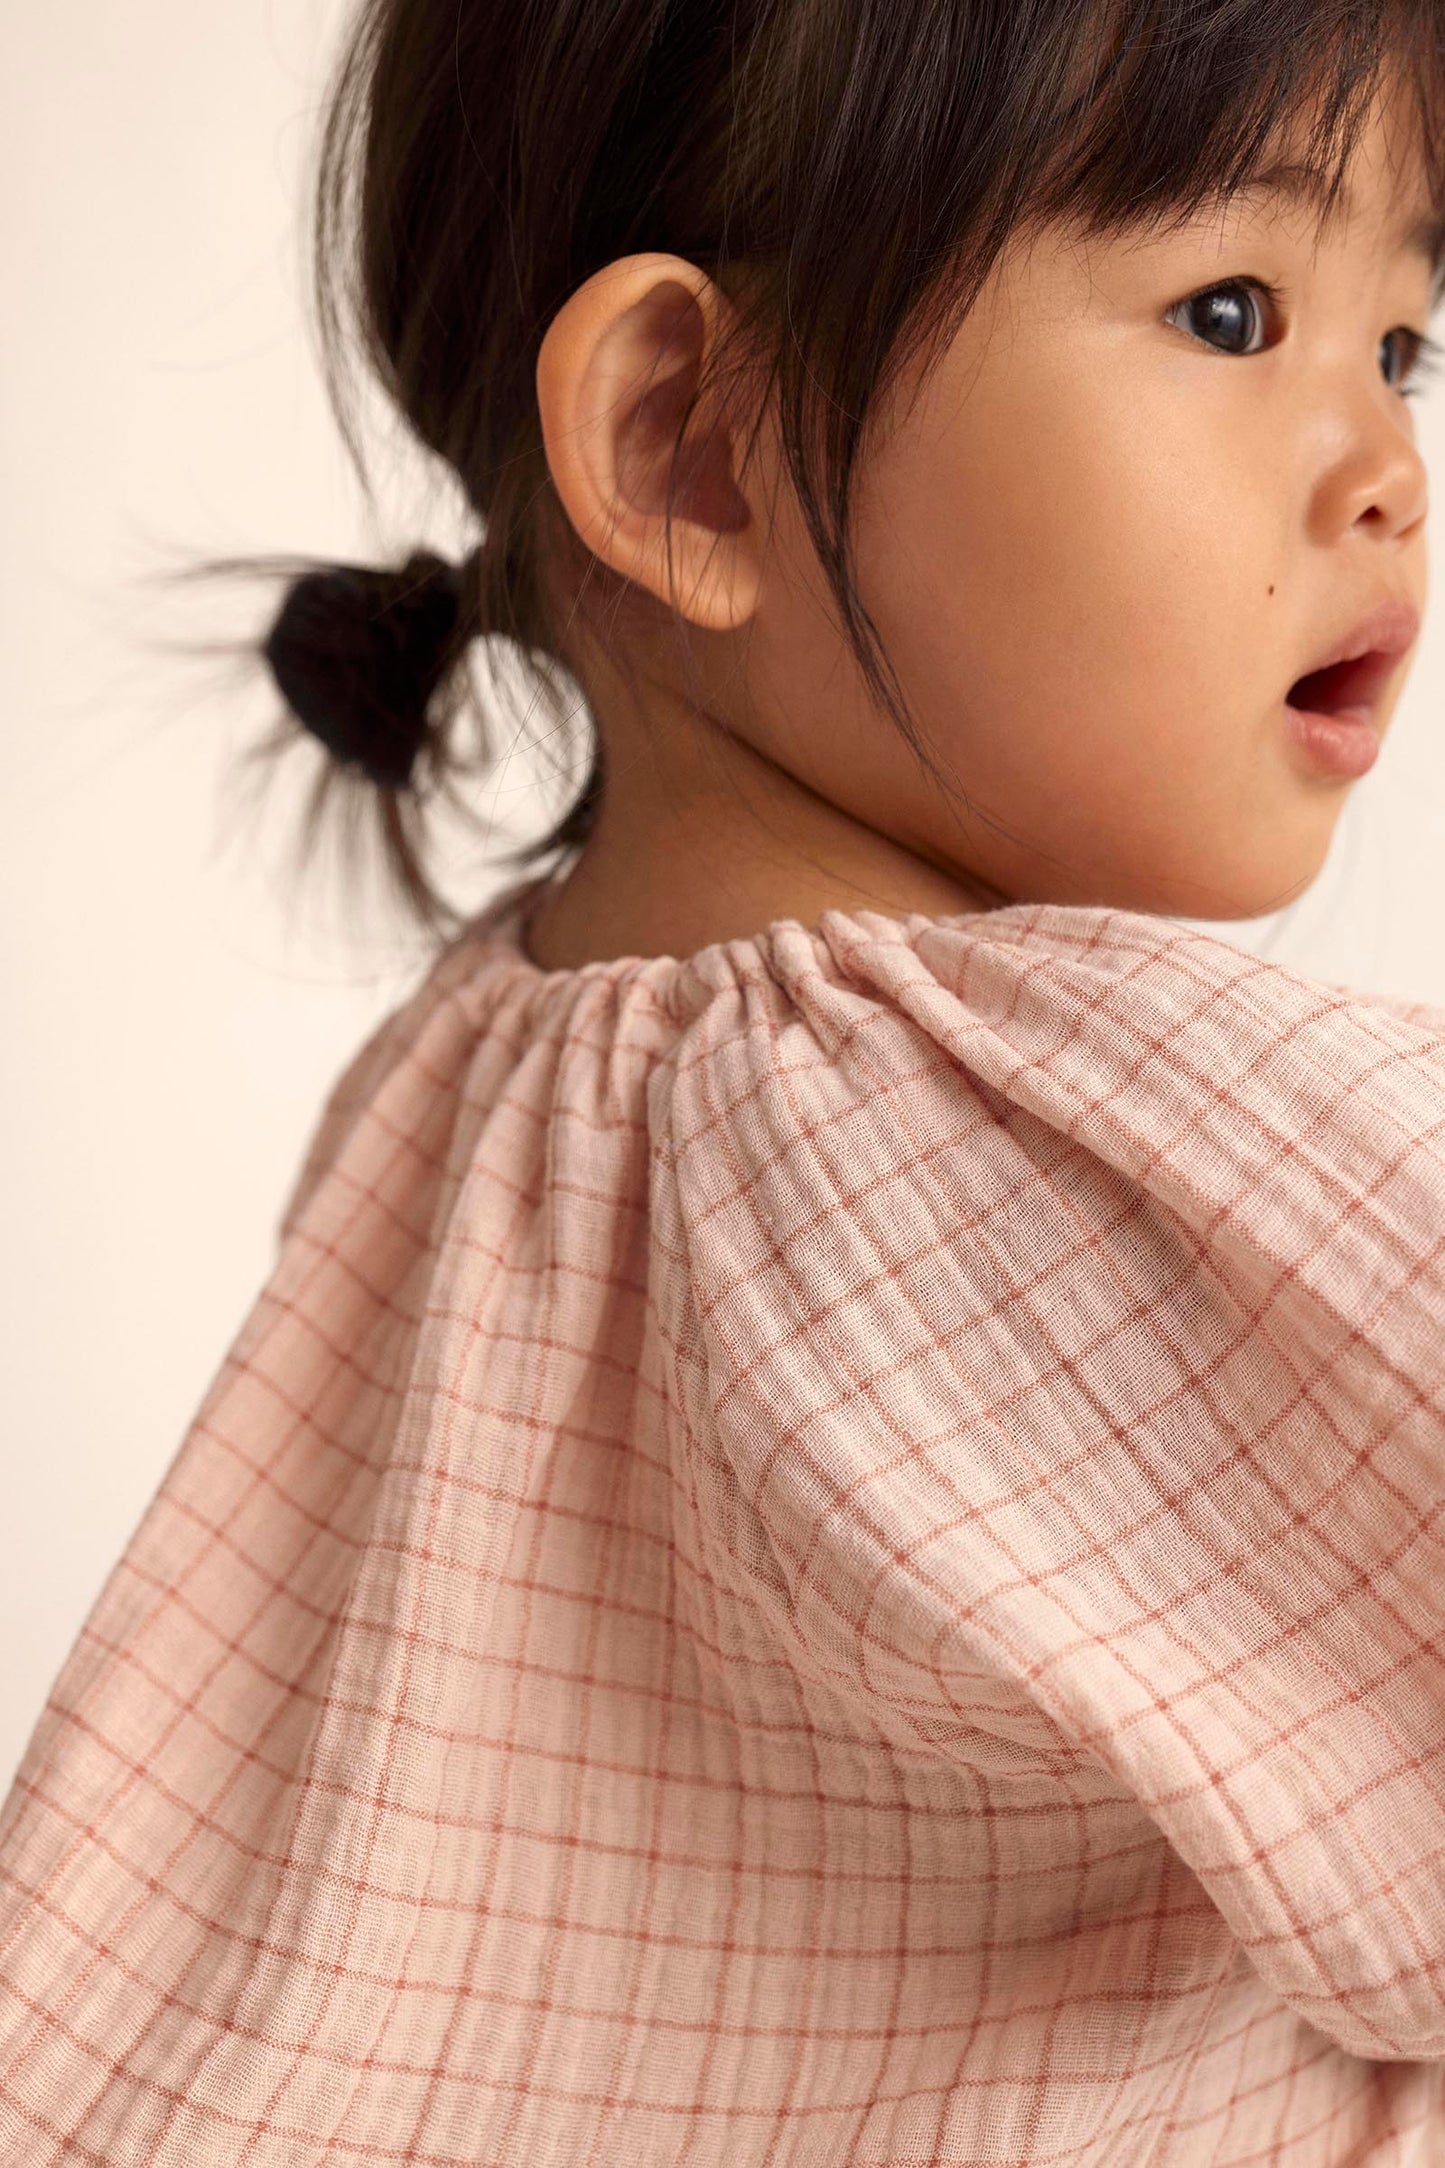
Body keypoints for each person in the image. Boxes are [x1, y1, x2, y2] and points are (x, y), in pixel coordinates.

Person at [3, 2, 1445, 2161]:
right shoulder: (1122, 1142)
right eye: (1229, 312)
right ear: (695, 445)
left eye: (1402, 343)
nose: (1386, 469)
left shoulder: (456, 1079)